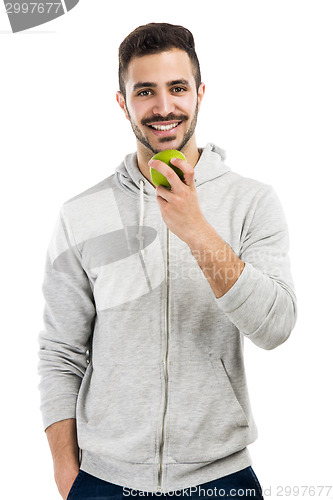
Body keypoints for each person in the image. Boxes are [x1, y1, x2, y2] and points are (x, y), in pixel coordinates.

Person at [38, 22, 297, 500]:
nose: (163, 107)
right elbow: (60, 351)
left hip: (221, 479)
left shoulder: (252, 202)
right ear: (123, 102)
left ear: (200, 93)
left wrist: (196, 228)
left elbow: (276, 327)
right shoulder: (81, 214)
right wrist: (65, 472)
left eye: (178, 88)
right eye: (145, 91)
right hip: (102, 481)